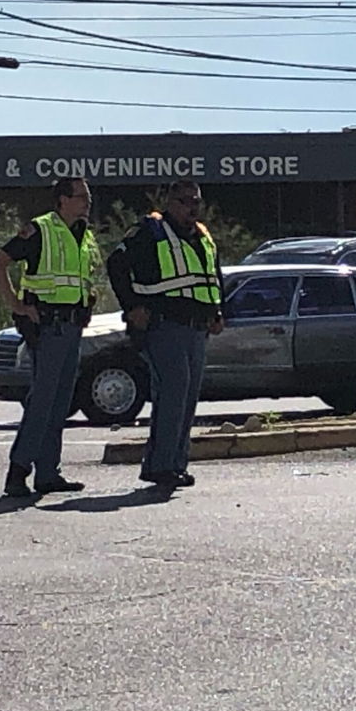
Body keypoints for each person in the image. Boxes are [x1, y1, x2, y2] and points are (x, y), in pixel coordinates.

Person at [107, 180, 224, 489]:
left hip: (197, 328)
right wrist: (132, 306)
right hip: (165, 325)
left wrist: (216, 312)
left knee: (186, 397)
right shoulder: (151, 231)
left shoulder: (202, 236)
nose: (192, 207)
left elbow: (213, 276)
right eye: (186, 201)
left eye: (196, 201)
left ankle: (175, 464)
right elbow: (116, 264)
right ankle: (159, 465)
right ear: (171, 202)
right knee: (173, 391)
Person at [0, 177, 97, 498]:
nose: (87, 203)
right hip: (48, 327)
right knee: (43, 401)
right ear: (62, 200)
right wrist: (18, 306)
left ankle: (48, 473)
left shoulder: (83, 235)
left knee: (60, 402)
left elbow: (83, 279)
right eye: (81, 197)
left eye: (88, 197)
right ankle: (18, 471)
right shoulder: (40, 230)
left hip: (73, 326)